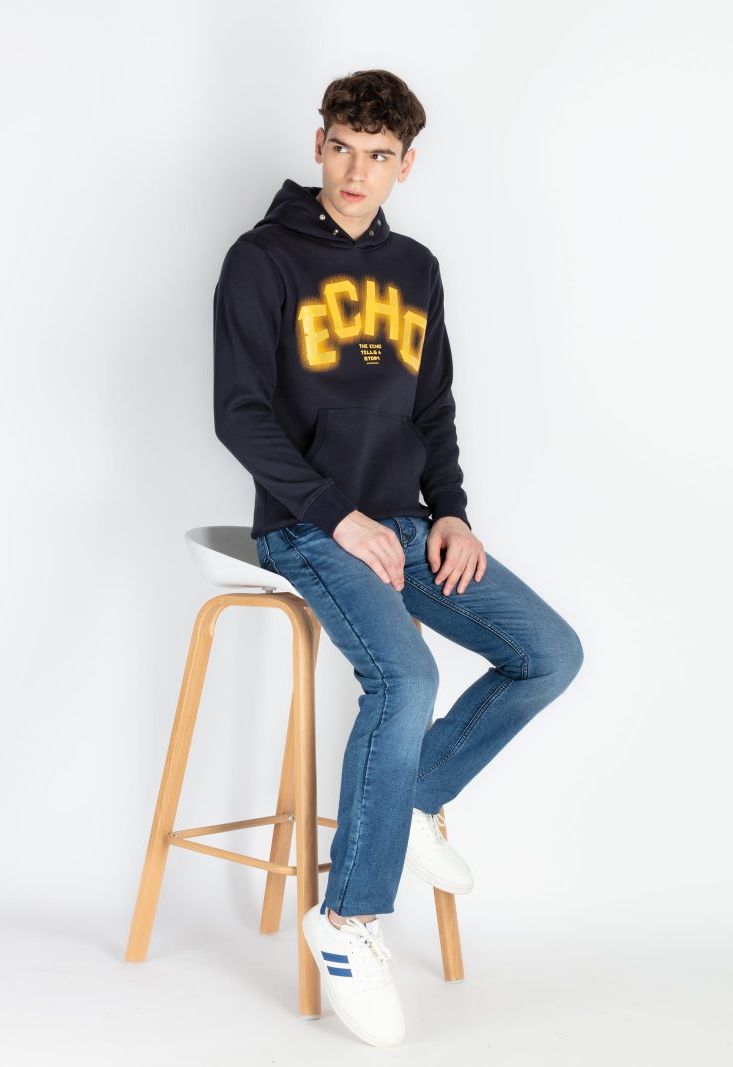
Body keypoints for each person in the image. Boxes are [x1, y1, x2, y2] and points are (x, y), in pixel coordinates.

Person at [212, 68, 584, 1047]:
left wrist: (451, 513)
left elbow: (431, 406)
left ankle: (412, 794)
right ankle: (346, 922)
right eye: (342, 146)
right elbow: (239, 414)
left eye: (378, 156)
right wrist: (335, 516)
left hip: (409, 522)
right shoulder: (261, 258)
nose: (355, 171)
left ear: (404, 165)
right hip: (307, 524)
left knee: (548, 652)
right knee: (406, 674)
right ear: (318, 143)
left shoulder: (416, 267)